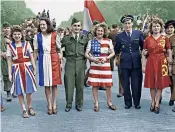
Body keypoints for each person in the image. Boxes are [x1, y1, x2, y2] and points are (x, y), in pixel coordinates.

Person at [142, 18, 172, 114]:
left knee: (160, 84)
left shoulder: (165, 38)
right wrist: (143, 65)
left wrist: (170, 62)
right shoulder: (147, 39)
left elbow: (168, 50)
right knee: (152, 84)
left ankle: (157, 103)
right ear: (151, 28)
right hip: (151, 61)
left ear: (161, 27)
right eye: (154, 26)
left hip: (161, 62)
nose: (156, 28)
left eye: (158, 26)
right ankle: (153, 101)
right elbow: (144, 52)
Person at [85, 22, 117, 112]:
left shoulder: (108, 41)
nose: (100, 32)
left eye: (101, 31)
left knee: (108, 85)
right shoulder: (91, 42)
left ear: (104, 32)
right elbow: (86, 54)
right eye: (98, 31)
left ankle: (109, 102)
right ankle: (96, 103)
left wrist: (106, 58)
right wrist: (92, 59)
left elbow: (113, 53)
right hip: (95, 66)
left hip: (106, 66)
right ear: (95, 31)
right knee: (94, 85)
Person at [7, 26, 37, 118]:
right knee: (19, 90)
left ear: (21, 35)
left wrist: (34, 68)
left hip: (27, 68)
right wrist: (9, 74)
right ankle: (24, 109)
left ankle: (30, 107)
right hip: (16, 69)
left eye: (18, 34)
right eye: (15, 34)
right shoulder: (10, 46)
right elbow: (9, 61)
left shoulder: (27, 44)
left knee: (29, 90)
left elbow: (31, 57)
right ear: (12, 35)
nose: (17, 36)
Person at [33, 17, 62, 115]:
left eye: (44, 24)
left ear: (48, 25)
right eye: (40, 25)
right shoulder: (37, 37)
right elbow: (36, 51)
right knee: (46, 83)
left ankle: (54, 104)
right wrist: (34, 65)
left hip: (53, 58)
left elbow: (59, 49)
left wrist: (60, 59)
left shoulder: (54, 35)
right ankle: (49, 104)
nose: (42, 26)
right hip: (43, 59)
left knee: (54, 83)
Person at [115, 15, 144, 109]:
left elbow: (143, 47)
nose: (127, 25)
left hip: (136, 62)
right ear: (123, 25)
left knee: (136, 83)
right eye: (125, 24)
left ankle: (137, 102)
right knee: (126, 84)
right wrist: (117, 58)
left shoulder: (138, 33)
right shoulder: (119, 36)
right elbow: (116, 49)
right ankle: (128, 102)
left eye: (129, 23)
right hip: (124, 62)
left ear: (132, 23)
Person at [61, 18, 89, 112]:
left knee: (80, 85)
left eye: (78, 26)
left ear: (81, 27)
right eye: (75, 26)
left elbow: (87, 50)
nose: (76, 28)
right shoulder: (66, 39)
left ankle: (79, 104)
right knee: (69, 84)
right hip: (70, 62)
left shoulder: (85, 38)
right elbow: (59, 49)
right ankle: (68, 104)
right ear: (71, 27)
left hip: (81, 63)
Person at [108, 24, 124, 97]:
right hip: (117, 52)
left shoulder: (111, 33)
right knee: (121, 74)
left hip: (118, 52)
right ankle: (122, 91)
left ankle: (121, 91)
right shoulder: (118, 35)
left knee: (121, 75)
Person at [164, 20, 175, 112]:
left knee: (173, 82)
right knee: (167, 81)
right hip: (163, 63)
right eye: (167, 28)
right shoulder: (163, 38)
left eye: (171, 27)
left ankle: (172, 98)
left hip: (173, 63)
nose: (169, 30)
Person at [1, 22, 13, 101]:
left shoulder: (14, 36)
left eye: (7, 28)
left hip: (14, 58)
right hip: (4, 59)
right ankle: (8, 92)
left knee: (15, 73)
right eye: (5, 28)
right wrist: (2, 53)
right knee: (6, 75)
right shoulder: (1, 38)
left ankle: (14, 90)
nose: (6, 30)